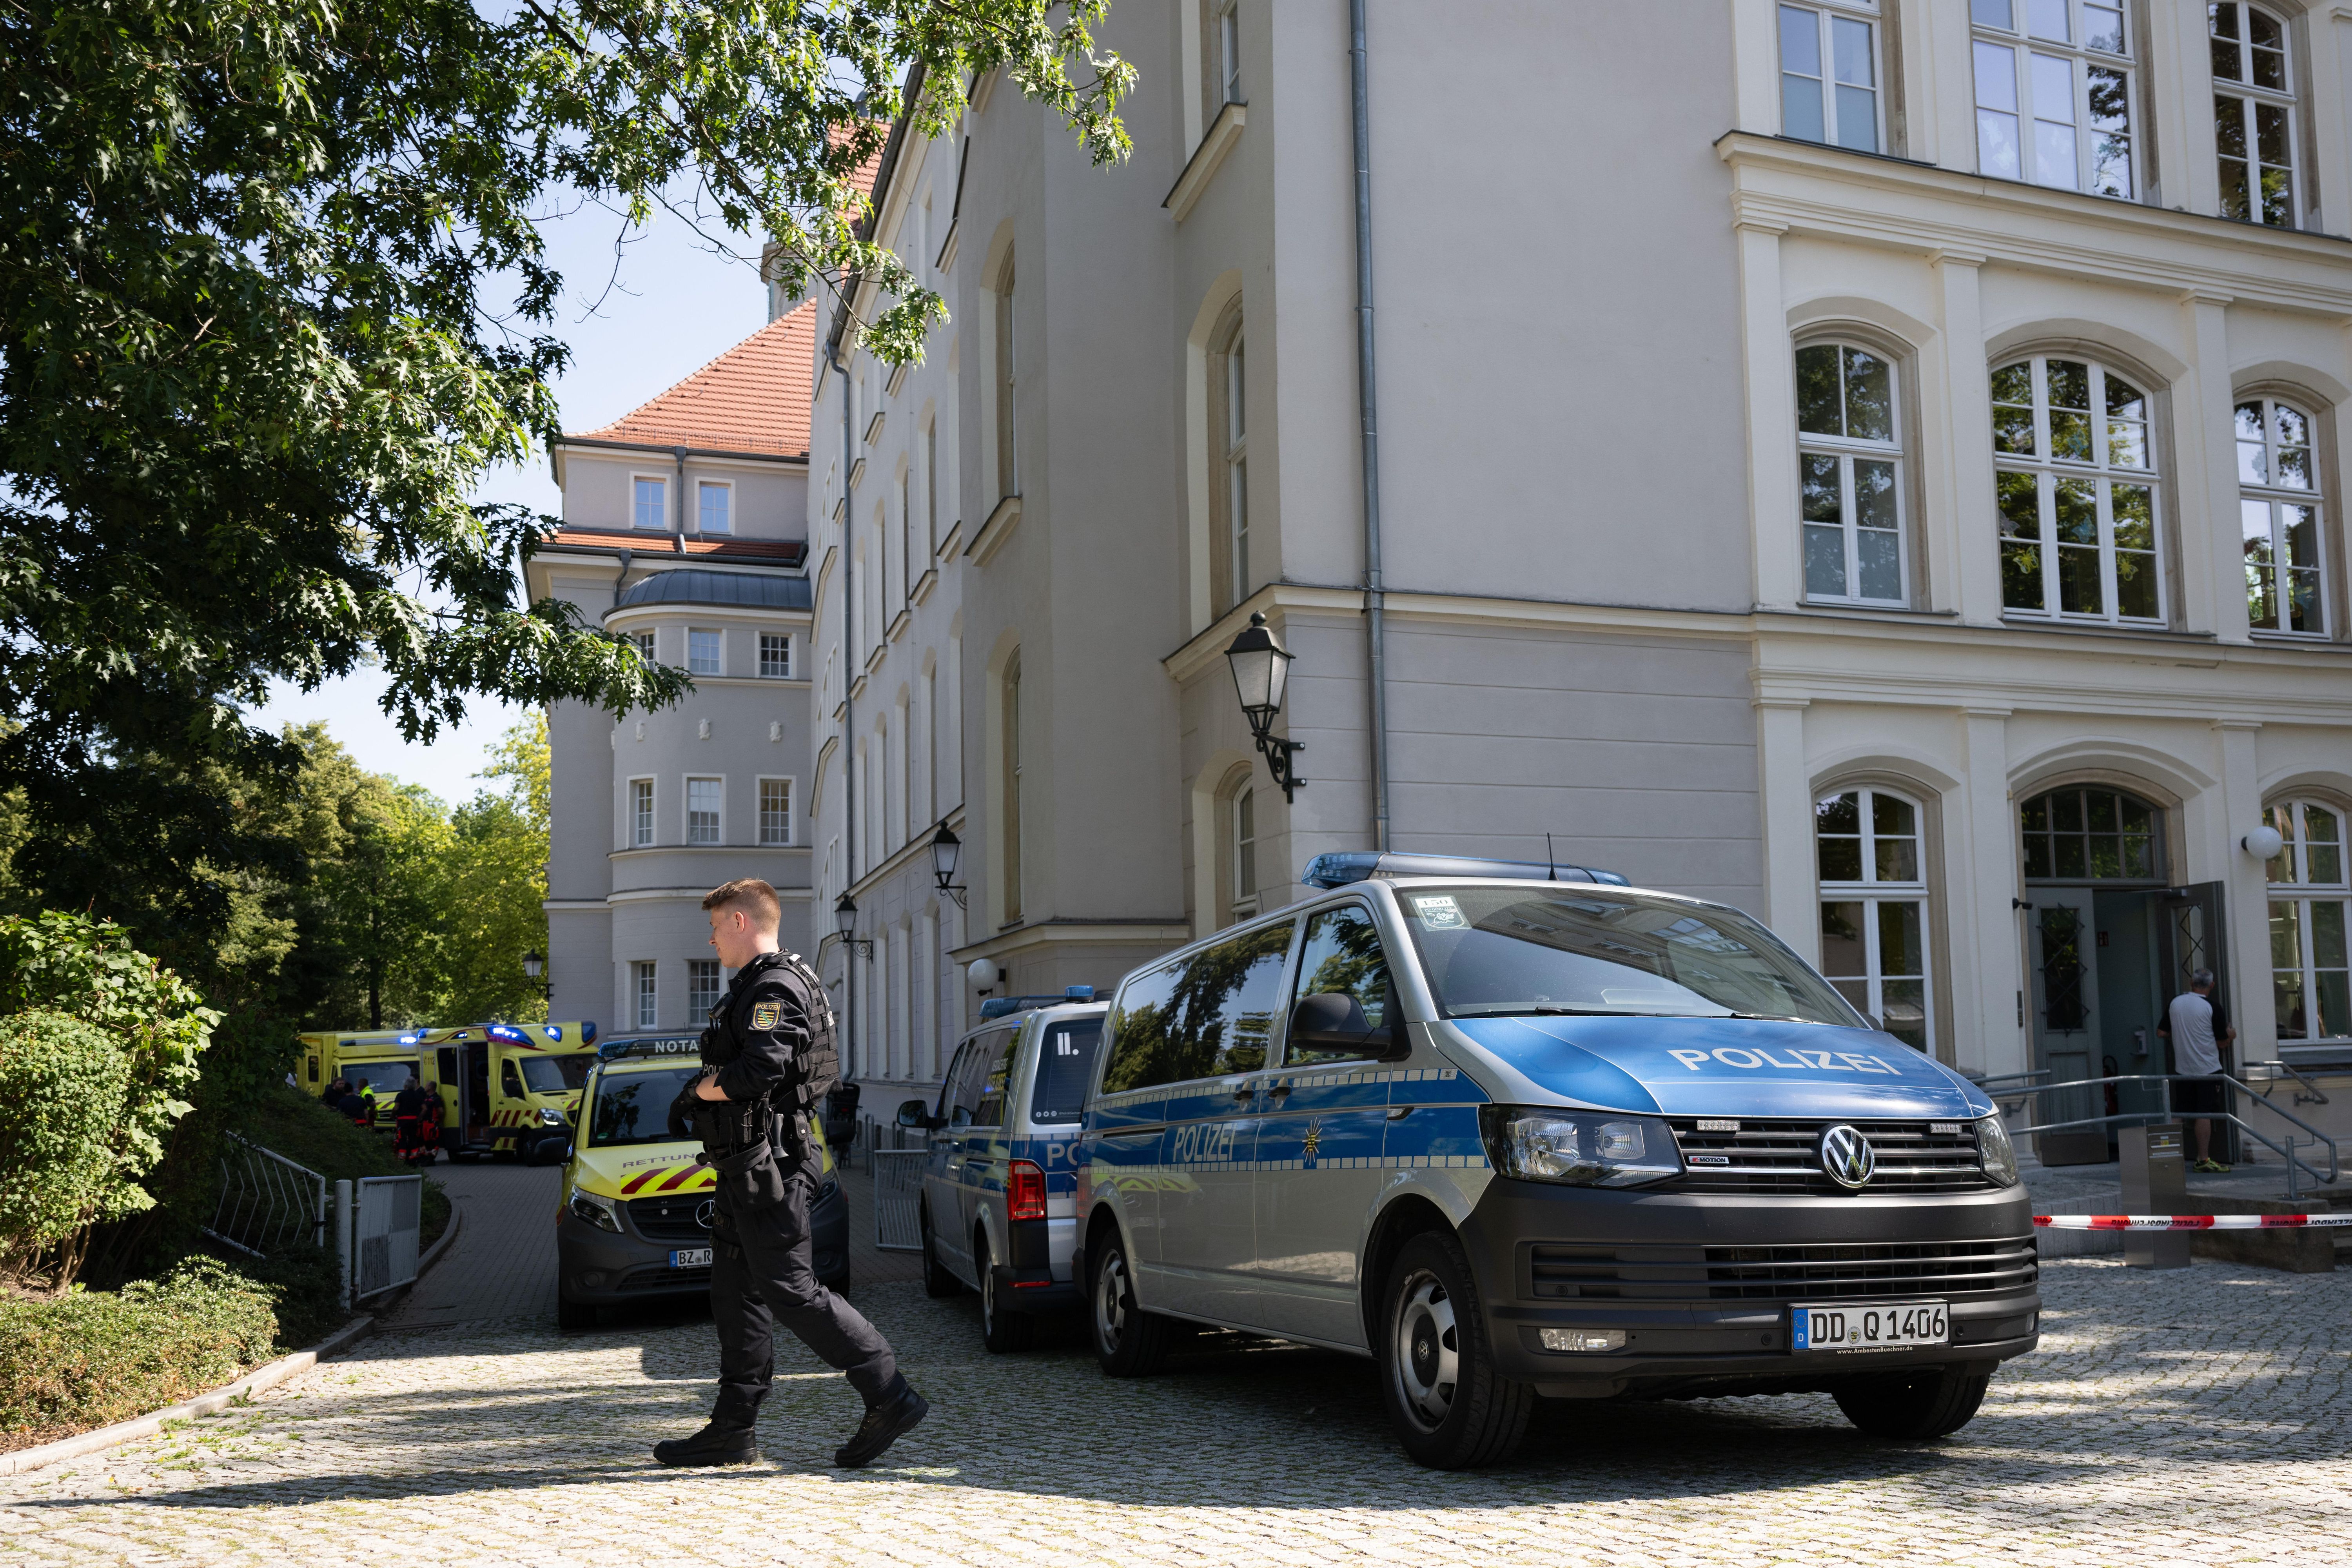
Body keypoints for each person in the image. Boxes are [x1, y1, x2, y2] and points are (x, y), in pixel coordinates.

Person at [651, 877, 928, 1470]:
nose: (712, 938)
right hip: (747, 1164)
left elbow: (760, 1070)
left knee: (791, 1289)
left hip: (773, 1166)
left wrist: (698, 1090)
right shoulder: (760, 983)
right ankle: (733, 1429)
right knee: (735, 1291)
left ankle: (888, 1391)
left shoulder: (774, 986)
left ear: (742, 921)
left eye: (716, 926)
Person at [2158, 969, 2236, 1172]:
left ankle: (2166, 1159)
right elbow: (2222, 1043)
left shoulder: (2176, 1002)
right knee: (2204, 1113)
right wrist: (2231, 1035)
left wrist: (2182, 1035)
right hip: (2207, 1069)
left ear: (2191, 983)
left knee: (2179, 1112)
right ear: (2212, 985)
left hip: (2183, 1068)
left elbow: (2161, 1032)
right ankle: (2203, 1159)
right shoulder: (2213, 1007)